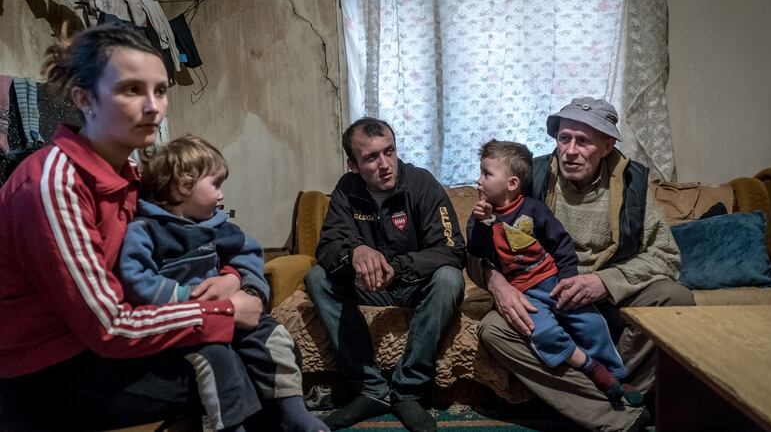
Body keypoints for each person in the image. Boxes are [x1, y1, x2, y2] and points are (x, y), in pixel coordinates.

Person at [0, 24, 320, 432]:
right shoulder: (55, 183)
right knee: (231, 370)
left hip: (106, 347)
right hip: (50, 372)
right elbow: (109, 326)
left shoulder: (129, 173)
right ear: (84, 99)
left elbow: (188, 246)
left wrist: (231, 278)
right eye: (131, 90)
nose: (152, 106)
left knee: (270, 348)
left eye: (160, 90)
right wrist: (220, 311)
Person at [476, 97, 694, 432]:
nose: (570, 151)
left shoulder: (632, 183)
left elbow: (665, 255)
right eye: (564, 139)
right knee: (493, 329)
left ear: (607, 146)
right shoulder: (529, 177)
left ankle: (602, 391)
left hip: (605, 296)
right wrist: (497, 283)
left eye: (584, 141)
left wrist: (605, 282)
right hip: (542, 296)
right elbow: (474, 251)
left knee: (676, 298)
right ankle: (617, 414)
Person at [117, 135, 327, 432]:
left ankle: (292, 410)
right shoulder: (145, 230)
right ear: (183, 186)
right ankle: (230, 426)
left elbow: (250, 252)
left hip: (230, 313)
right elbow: (134, 279)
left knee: (275, 338)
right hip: (186, 326)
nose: (222, 196)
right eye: (215, 184)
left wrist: (236, 280)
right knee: (218, 362)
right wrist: (186, 297)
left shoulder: (216, 225)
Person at [304, 117, 466, 432]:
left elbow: (453, 250)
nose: (385, 164)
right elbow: (327, 247)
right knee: (316, 278)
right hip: (369, 288)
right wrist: (355, 253)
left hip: (415, 286)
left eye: (389, 152)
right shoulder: (346, 189)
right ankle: (371, 390)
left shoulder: (421, 184)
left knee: (449, 278)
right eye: (372, 157)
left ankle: (408, 391)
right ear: (353, 164)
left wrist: (398, 268)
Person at [467, 139, 643, 409]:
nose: (478, 180)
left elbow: (561, 244)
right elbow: (478, 252)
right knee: (543, 333)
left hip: (552, 281)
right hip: (523, 293)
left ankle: (618, 378)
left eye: (486, 174)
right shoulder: (480, 216)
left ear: (512, 183)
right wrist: (483, 223)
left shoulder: (534, 209)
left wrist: (566, 279)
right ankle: (594, 370)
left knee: (591, 324)